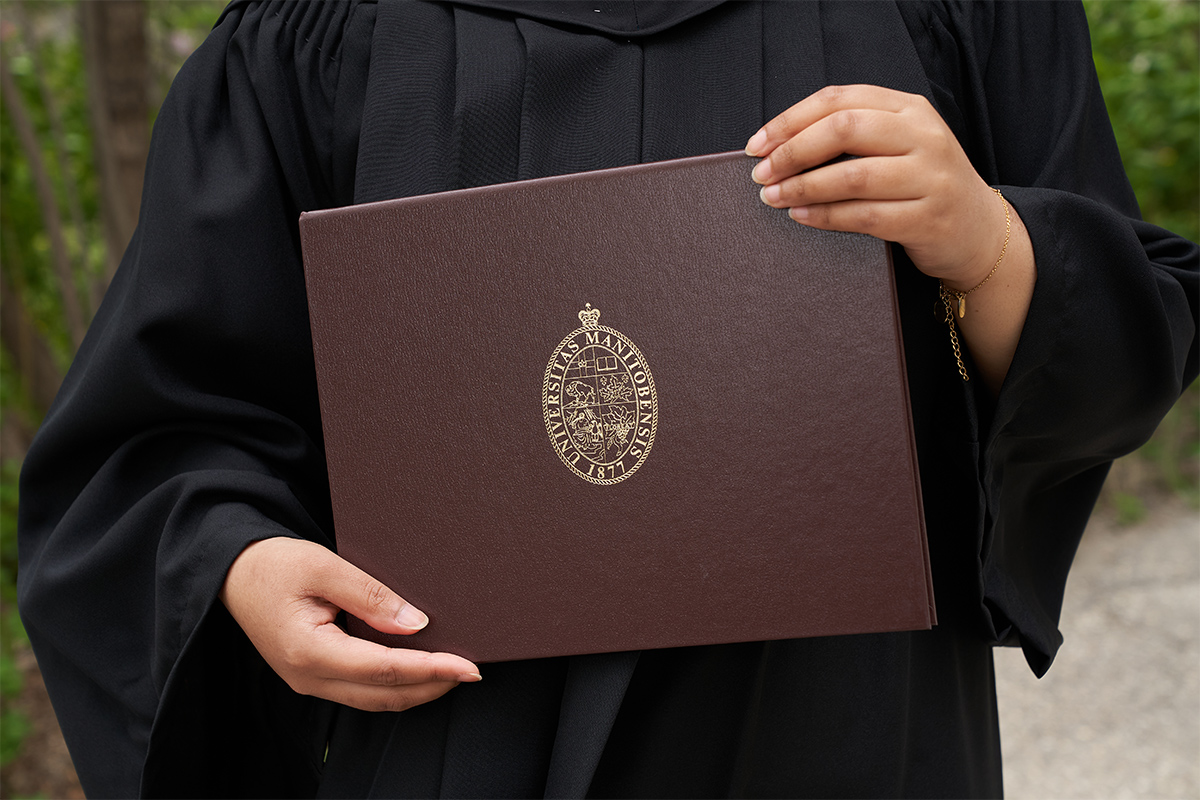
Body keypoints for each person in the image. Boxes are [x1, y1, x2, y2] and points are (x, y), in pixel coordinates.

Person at [18, 1, 1198, 797]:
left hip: (849, 733)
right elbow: (166, 428)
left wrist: (993, 249)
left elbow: (1134, 334)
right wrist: (242, 562)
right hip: (454, 728)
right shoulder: (322, 34)